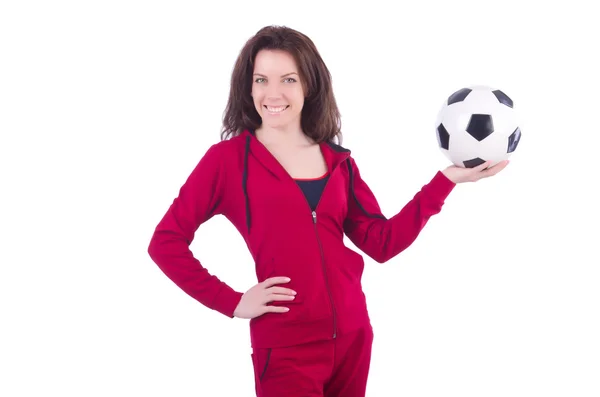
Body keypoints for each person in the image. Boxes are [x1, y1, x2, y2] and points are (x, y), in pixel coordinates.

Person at [147, 25, 508, 397]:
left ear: (308, 85)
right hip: (286, 348)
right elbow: (165, 243)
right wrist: (233, 301)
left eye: (288, 79)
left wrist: (445, 181)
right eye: (261, 80)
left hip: (353, 337)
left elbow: (382, 244)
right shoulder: (227, 162)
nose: (273, 93)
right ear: (248, 87)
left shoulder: (338, 161)